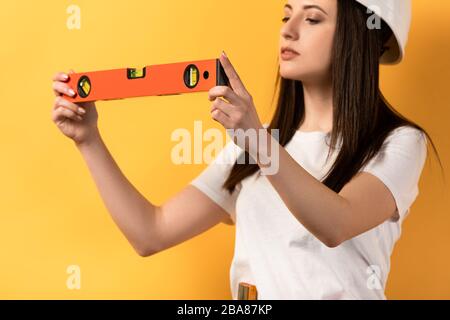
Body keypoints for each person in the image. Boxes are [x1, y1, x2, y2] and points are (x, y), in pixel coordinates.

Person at [51, 0, 441, 299]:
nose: (288, 30)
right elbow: (150, 233)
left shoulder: (400, 142)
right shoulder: (255, 147)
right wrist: (88, 139)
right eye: (286, 15)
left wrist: (255, 137)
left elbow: (336, 224)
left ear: (361, 35)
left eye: (313, 18)